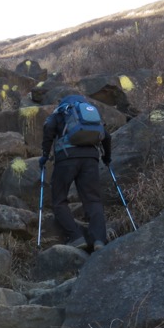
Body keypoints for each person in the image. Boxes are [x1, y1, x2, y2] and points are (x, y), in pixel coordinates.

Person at [39, 95, 112, 251]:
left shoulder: (61, 111)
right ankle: (99, 239)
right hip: (90, 160)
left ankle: (76, 237)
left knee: (59, 200)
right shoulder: (88, 116)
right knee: (93, 200)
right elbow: (107, 136)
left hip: (66, 158)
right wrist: (107, 158)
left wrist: (45, 155)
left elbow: (48, 128)